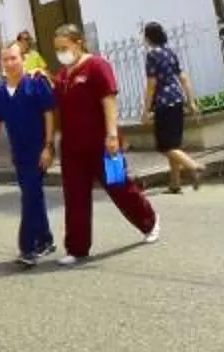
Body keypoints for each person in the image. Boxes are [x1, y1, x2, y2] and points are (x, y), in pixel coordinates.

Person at [48, 23, 158, 261]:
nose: (61, 53)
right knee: (75, 197)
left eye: (64, 47)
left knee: (119, 187)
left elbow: (108, 100)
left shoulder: (97, 66)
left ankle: (149, 222)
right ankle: (76, 248)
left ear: (79, 43)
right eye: (58, 49)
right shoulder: (62, 76)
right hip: (72, 147)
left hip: (100, 142)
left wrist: (111, 135)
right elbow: (57, 109)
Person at [0, 49, 58, 264]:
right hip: (18, 154)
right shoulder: (0, 93)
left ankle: (27, 248)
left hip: (38, 152)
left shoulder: (36, 84)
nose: (10, 63)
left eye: (14, 58)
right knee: (33, 195)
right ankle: (45, 240)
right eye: (5, 59)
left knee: (29, 196)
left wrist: (48, 146)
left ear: (23, 60)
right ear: (1, 63)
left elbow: (49, 115)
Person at [142, 22, 204, 191]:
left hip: (163, 103)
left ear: (148, 37)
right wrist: (191, 101)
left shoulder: (152, 55)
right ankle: (175, 183)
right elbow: (183, 77)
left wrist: (146, 109)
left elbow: (151, 84)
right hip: (177, 99)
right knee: (173, 145)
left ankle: (193, 166)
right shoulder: (170, 52)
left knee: (164, 146)